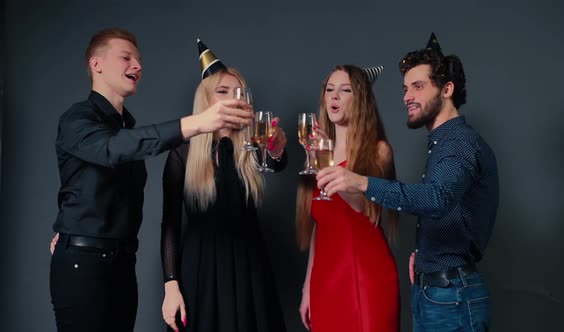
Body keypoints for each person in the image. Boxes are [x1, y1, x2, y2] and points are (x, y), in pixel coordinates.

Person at [49, 28, 253, 332]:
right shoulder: (77, 119)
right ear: (97, 64)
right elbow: (112, 149)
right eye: (126, 57)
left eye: (139, 60)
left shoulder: (127, 129)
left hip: (121, 266)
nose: (137, 65)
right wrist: (198, 123)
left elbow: (87, 182)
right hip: (83, 264)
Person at [316, 33, 499, 332]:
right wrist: (426, 256)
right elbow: (452, 209)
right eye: (405, 88)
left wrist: (363, 183)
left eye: (418, 87)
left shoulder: (458, 143)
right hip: (436, 291)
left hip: (451, 295)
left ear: (447, 89)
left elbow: (437, 199)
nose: (406, 97)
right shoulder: (442, 143)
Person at [160, 38, 288, 332]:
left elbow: (278, 162)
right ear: (206, 100)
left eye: (239, 92)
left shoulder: (252, 146)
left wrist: (277, 148)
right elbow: (170, 224)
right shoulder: (183, 153)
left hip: (248, 268)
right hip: (200, 272)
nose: (234, 98)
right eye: (222, 92)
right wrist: (171, 285)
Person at [296, 64, 400, 332]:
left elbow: (364, 209)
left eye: (344, 90)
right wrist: (308, 286)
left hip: (366, 274)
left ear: (361, 99)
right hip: (326, 277)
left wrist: (326, 164)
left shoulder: (379, 151)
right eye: (330, 90)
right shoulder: (317, 152)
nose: (334, 96)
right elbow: (321, 224)